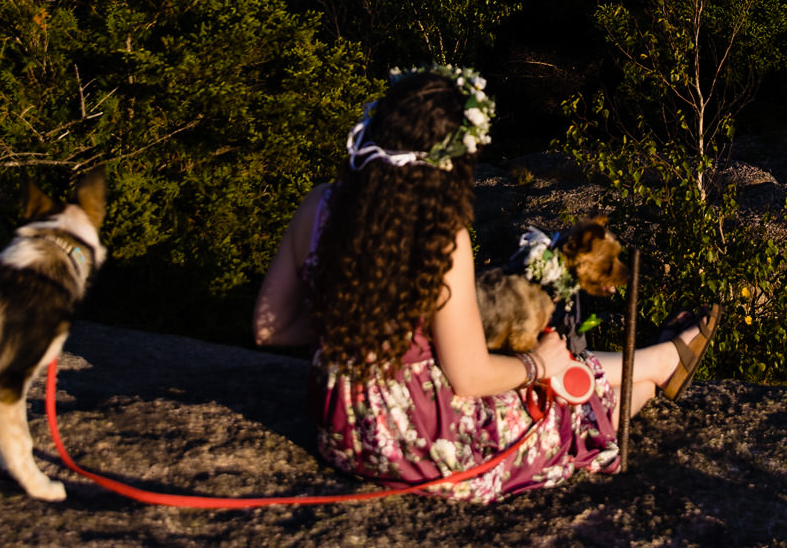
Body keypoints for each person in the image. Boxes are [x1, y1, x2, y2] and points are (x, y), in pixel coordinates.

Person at [252, 65, 720, 502]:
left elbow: (269, 329)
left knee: (557, 368)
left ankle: (658, 360)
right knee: (571, 407)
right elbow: (469, 375)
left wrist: (363, 330)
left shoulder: (319, 207)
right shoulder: (440, 234)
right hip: (422, 446)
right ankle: (658, 370)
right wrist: (537, 364)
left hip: (343, 437)